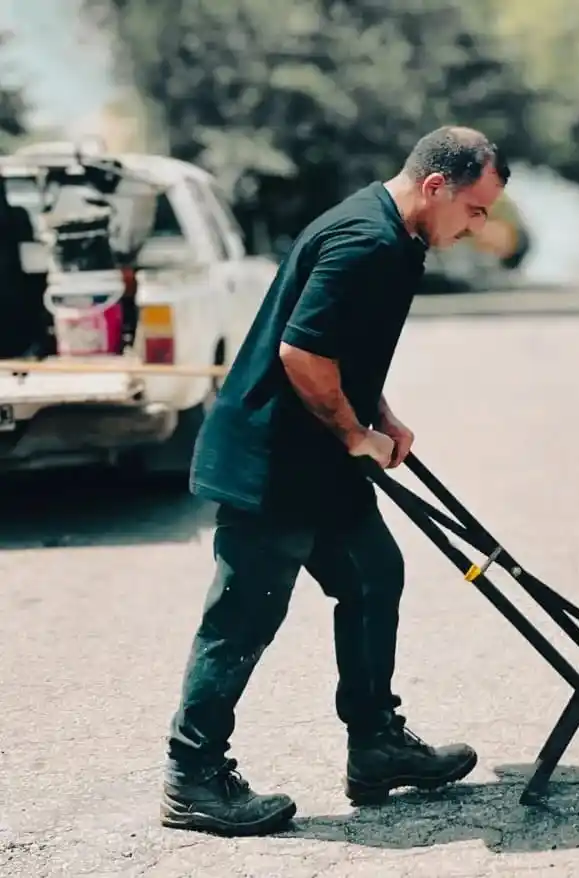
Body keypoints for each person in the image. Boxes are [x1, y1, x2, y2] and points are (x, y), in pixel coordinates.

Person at [161, 126, 509, 837]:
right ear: (436, 187)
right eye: (476, 210)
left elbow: (342, 350)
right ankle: (192, 778)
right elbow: (302, 352)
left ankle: (376, 744)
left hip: (319, 455)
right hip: (273, 459)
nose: (479, 227)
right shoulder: (366, 241)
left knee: (374, 574)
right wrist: (356, 433)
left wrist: (381, 413)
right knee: (244, 614)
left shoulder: (399, 238)